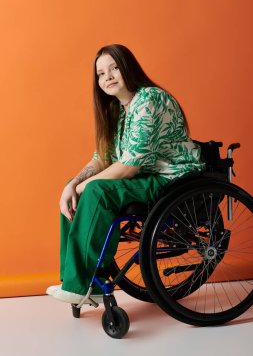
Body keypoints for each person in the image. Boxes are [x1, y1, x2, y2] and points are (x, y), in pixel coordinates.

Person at [46, 44, 205, 304]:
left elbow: (129, 166)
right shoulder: (119, 110)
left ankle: (80, 283)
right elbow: (102, 158)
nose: (107, 77)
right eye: (100, 73)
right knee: (73, 188)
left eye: (114, 68)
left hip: (173, 179)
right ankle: (78, 282)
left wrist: (83, 187)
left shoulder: (149, 99)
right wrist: (73, 184)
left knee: (94, 190)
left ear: (127, 68)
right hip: (147, 177)